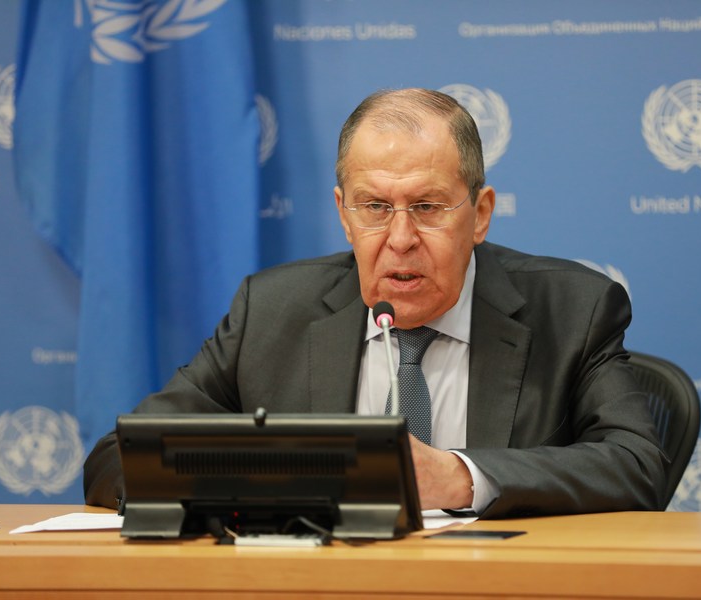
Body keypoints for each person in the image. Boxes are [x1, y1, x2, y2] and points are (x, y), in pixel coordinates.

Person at [84, 88, 667, 517]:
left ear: (480, 214)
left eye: (428, 207)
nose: (401, 238)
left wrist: (459, 477)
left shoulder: (572, 309)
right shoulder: (271, 311)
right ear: (344, 215)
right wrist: (264, 484)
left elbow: (637, 465)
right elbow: (118, 458)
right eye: (375, 207)